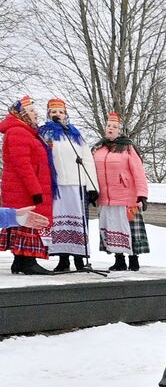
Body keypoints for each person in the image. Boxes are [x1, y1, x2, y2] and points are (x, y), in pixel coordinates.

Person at [37, 97, 100, 272]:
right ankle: (63, 259)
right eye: (54, 112)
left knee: (78, 222)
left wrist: (92, 187)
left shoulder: (75, 134)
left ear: (66, 114)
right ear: (49, 114)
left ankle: (80, 258)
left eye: (61, 112)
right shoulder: (44, 134)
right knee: (59, 222)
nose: (58, 115)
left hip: (76, 184)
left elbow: (87, 160)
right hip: (56, 186)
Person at [0, 96, 55, 275]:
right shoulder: (18, 131)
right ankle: (27, 261)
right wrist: (35, 190)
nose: (35, 114)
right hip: (23, 188)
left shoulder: (27, 132)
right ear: (22, 114)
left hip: (22, 186)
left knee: (24, 221)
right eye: (31, 111)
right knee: (27, 220)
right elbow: (23, 165)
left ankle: (20, 261)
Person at [93, 112, 150, 271]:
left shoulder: (127, 148)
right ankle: (119, 259)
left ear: (120, 130)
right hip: (106, 197)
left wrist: (142, 194)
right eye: (109, 126)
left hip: (126, 197)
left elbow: (138, 171)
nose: (111, 129)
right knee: (112, 227)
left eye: (115, 127)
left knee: (128, 228)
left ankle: (133, 259)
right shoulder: (99, 149)